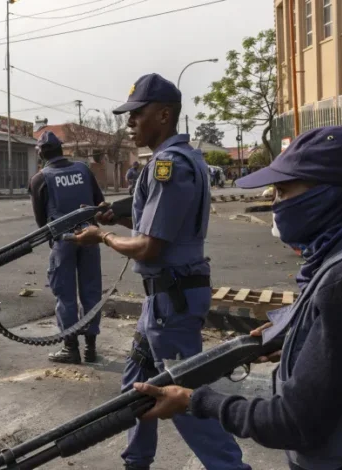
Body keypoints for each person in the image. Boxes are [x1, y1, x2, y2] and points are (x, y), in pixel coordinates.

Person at [130, 126, 342, 470]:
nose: (274, 202)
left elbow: (292, 423)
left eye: (284, 190)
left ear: (329, 194)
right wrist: (294, 339)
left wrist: (195, 401)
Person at [71, 73, 250, 470]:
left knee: (184, 399)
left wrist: (101, 238)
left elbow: (151, 245)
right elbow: (157, 223)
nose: (130, 123)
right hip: (164, 297)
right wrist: (118, 217)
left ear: (164, 115)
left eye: (138, 114)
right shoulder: (178, 160)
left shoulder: (169, 164)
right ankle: (136, 462)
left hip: (171, 301)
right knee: (135, 384)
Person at [28, 131, 105, 364]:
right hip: (90, 236)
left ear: (41, 153)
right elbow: (98, 202)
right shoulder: (83, 170)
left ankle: (70, 348)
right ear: (62, 149)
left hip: (64, 241)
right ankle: (91, 348)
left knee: (66, 295)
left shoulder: (40, 179)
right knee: (91, 291)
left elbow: (41, 222)